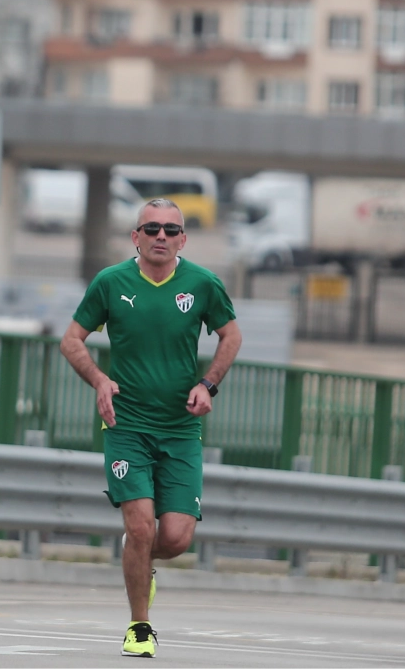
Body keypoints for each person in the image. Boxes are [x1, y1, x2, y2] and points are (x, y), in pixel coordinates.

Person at [60, 198, 243, 659]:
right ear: (135, 236)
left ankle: (139, 559)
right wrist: (100, 379)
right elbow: (71, 340)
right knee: (141, 529)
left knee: (176, 538)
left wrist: (209, 384)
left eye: (170, 229)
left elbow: (231, 334)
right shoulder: (111, 282)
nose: (161, 236)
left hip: (181, 429)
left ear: (183, 238)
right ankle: (140, 627)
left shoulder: (202, 284)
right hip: (127, 426)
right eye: (151, 228)